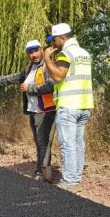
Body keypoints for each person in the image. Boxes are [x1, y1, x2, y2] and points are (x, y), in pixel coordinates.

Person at [0, 39, 57, 179]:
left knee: (43, 142)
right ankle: (43, 171)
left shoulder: (47, 66)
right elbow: (15, 77)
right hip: (33, 111)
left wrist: (29, 89)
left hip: (45, 111)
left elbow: (51, 85)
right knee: (39, 141)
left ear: (41, 50)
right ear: (27, 54)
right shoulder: (29, 68)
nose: (34, 55)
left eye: (36, 51)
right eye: (30, 52)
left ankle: (42, 173)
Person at [43, 23, 94, 191]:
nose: (53, 44)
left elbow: (58, 76)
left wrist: (47, 59)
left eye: (55, 40)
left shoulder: (66, 54)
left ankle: (70, 181)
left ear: (62, 38)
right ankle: (76, 177)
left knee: (68, 143)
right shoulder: (84, 53)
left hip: (69, 105)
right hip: (84, 105)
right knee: (78, 143)